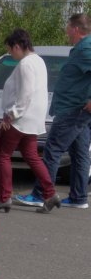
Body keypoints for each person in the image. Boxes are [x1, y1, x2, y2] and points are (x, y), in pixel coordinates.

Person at [16, 12, 91, 210]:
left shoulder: (86, 49)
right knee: (80, 153)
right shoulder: (81, 49)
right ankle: (78, 197)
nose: (66, 31)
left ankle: (41, 194)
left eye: (67, 27)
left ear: (75, 29)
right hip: (76, 108)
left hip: (73, 109)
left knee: (53, 150)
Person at [0, 29, 58, 213]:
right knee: (32, 156)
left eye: (11, 50)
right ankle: (50, 194)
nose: (10, 54)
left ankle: (4, 198)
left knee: (3, 155)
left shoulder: (25, 64)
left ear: (18, 46)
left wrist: (10, 115)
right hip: (33, 119)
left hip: (20, 119)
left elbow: (25, 95)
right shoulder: (39, 61)